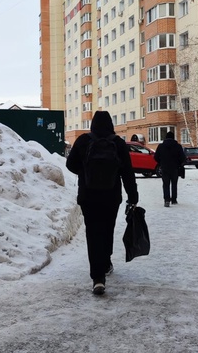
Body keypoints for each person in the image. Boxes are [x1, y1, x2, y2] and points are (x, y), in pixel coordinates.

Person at [66, 111, 139, 295]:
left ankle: (97, 278)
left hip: (88, 197)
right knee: (107, 230)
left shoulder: (83, 141)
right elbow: (128, 172)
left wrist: (85, 171)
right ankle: (106, 263)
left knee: (93, 234)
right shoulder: (118, 143)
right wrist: (133, 195)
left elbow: (70, 164)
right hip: (111, 196)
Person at [154, 131, 186, 207]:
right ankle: (174, 199)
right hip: (175, 168)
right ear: (173, 137)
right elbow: (182, 158)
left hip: (164, 168)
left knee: (165, 184)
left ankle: (167, 200)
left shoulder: (161, 146)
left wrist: (161, 163)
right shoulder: (178, 146)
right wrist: (179, 163)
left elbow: (155, 157)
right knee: (174, 184)